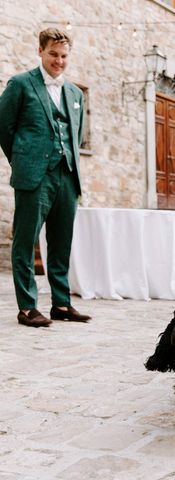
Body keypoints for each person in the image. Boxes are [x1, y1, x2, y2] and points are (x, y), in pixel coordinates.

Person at [0, 28, 91, 327]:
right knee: (25, 241)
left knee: (61, 241)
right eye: (53, 54)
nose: (59, 61)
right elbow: (4, 127)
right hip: (34, 175)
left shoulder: (76, 93)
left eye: (64, 56)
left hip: (67, 174)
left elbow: (76, 134)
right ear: (40, 51)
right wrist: (22, 158)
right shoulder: (21, 84)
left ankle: (61, 304)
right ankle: (27, 307)